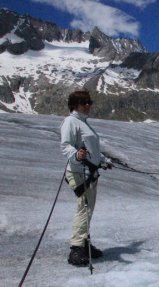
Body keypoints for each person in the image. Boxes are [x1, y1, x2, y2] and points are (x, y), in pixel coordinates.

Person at [60, 90, 112, 266]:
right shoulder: (71, 122)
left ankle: (83, 243)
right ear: (75, 105)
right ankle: (76, 249)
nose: (89, 105)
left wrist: (104, 161)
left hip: (89, 173)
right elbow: (66, 146)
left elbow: (92, 150)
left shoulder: (83, 123)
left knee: (87, 209)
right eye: (84, 103)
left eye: (90, 102)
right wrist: (77, 155)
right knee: (84, 208)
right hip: (79, 172)